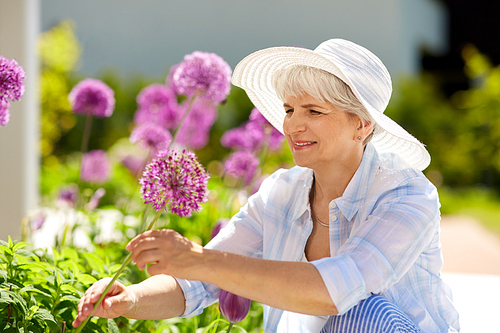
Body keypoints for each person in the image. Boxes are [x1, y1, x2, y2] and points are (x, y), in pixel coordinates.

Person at [73, 39, 460, 333]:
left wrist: (200, 259)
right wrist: (130, 297)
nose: (292, 125)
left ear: (362, 124)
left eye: (314, 111)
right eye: (290, 109)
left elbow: (334, 292)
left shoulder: (407, 196)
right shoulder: (283, 191)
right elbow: (196, 285)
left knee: (364, 311)